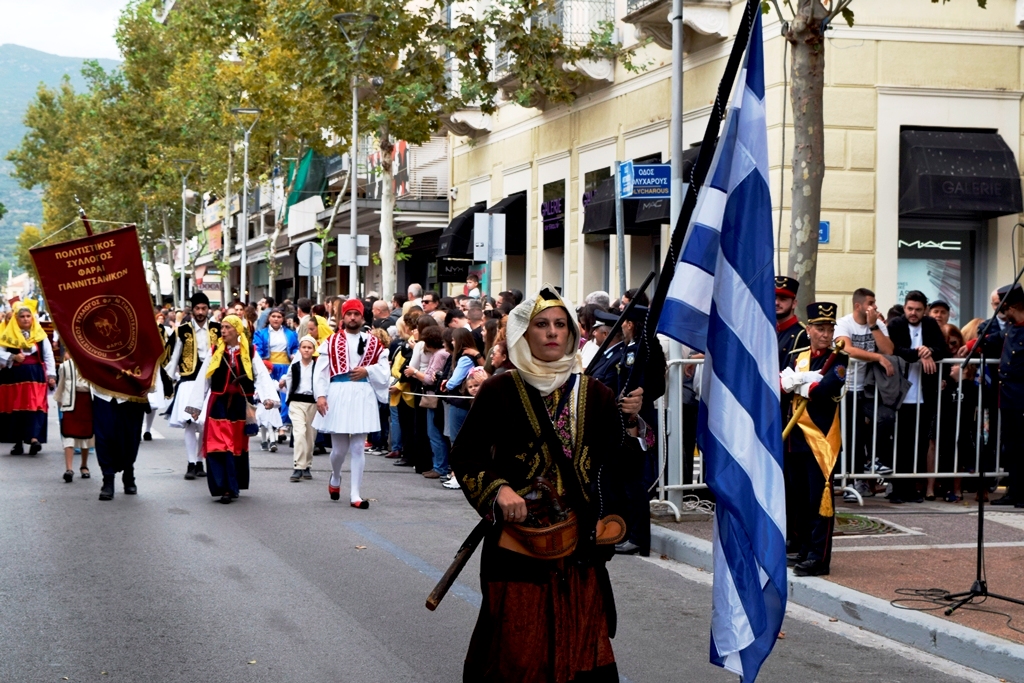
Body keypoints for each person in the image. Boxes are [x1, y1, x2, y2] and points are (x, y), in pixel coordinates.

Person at [449, 284, 647, 682]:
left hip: (578, 547)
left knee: (582, 651)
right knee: (517, 649)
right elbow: (466, 457)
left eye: (561, 324)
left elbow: (620, 462)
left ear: (573, 333)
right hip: (517, 544)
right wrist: (499, 490)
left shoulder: (599, 394)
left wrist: (631, 422)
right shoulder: (499, 389)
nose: (553, 332)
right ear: (525, 333)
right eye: (541, 324)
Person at [780, 302, 848, 577]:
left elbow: (827, 388)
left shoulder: (838, 358)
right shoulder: (798, 356)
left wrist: (803, 383)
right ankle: (805, 550)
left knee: (819, 501)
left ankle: (820, 558)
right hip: (795, 439)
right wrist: (801, 382)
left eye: (830, 328)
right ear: (809, 330)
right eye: (820, 328)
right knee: (800, 500)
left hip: (820, 439)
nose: (826, 333)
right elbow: (782, 384)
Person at [186, 315, 279, 504]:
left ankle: (232, 485)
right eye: (222, 327)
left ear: (237, 330)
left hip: (239, 407)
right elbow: (205, 378)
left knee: (235, 446)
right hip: (218, 406)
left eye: (228, 327)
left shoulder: (250, 352)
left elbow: (261, 376)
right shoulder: (215, 352)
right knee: (220, 445)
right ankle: (225, 488)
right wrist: (196, 406)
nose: (223, 330)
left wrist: (268, 398)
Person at [313, 299, 391, 508]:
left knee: (357, 447)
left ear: (362, 317)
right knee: (339, 449)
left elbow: (385, 371)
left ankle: (355, 494)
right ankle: (335, 476)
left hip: (362, 393)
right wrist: (320, 395)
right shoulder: (330, 342)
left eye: (356, 314)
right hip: (337, 393)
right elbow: (320, 371)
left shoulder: (374, 343)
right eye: (349, 314)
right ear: (343, 317)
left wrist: (368, 370)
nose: (353, 317)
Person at [887, 290, 949, 503]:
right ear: (904, 308)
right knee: (901, 443)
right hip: (901, 394)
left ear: (925, 310)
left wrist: (928, 350)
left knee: (921, 443)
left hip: (925, 394)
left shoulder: (931, 325)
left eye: (918, 310)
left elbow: (942, 349)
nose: (913, 313)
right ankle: (898, 488)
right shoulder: (895, 325)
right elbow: (894, 349)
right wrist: (918, 354)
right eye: (910, 309)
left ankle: (914, 488)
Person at [834, 287, 895, 500]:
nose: (875, 306)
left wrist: (873, 326)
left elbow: (888, 350)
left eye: (875, 302)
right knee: (854, 434)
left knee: (885, 418)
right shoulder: (844, 323)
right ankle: (854, 482)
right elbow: (847, 349)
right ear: (858, 305)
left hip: (869, 389)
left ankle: (873, 462)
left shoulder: (876, 324)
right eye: (870, 302)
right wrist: (876, 358)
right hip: (846, 388)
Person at [970, 284, 1024, 506]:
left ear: (1012, 307)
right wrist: (971, 345)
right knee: (1011, 446)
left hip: (1021, 396)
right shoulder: (1011, 328)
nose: (1004, 314)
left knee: (1021, 446)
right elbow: (992, 339)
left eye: (1005, 309)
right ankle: (1015, 491)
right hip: (1009, 397)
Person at [164, 292, 220, 480]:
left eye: (204, 308)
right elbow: (172, 357)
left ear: (208, 309)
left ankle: (199, 460)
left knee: (204, 423)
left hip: (211, 381)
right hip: (189, 380)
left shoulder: (217, 329)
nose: (201, 312)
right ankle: (191, 463)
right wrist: (167, 381)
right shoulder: (183, 330)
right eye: (197, 308)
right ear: (192, 309)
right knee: (190, 423)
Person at [0, 306, 56, 454]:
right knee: (17, 407)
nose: (25, 319)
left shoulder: (40, 335)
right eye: (22, 316)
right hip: (15, 377)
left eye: (28, 316)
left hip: (35, 377)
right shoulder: (8, 335)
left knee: (36, 405)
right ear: (16, 319)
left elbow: (48, 355)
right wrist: (13, 357)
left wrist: (51, 376)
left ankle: (34, 438)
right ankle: (18, 442)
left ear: (32, 318)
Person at [252, 308, 298, 451]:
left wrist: (294, 354)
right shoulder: (261, 333)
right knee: (269, 395)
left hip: (285, 367)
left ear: (283, 319)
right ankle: (269, 426)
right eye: (273, 316)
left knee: (284, 396)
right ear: (269, 318)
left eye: (279, 316)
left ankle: (282, 427)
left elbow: (296, 348)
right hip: (269, 367)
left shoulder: (290, 334)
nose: (276, 319)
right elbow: (256, 349)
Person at [283, 335, 319, 482]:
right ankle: (298, 466)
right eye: (304, 347)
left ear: (313, 350)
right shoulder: (295, 365)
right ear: (299, 349)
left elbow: (322, 383)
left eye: (309, 347)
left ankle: (307, 465)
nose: (306, 350)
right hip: (297, 402)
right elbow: (289, 380)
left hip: (312, 403)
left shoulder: (317, 366)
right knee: (299, 433)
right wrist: (288, 398)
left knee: (310, 436)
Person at [54, 351, 93, 483]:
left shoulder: (92, 364)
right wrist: (60, 402)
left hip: (87, 402)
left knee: (86, 435)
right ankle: (69, 469)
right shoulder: (65, 367)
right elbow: (61, 386)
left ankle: (84, 465)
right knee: (68, 434)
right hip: (71, 403)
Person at [440, 327, 481, 442]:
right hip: (463, 403)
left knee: (456, 439)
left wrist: (446, 384)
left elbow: (453, 383)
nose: (452, 342)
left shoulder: (465, 359)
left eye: (453, 340)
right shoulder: (467, 357)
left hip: (459, 403)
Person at [775, 276, 808, 372]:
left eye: (783, 299)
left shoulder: (802, 334)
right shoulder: (767, 331)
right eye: (774, 298)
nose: (776, 302)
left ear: (794, 303)